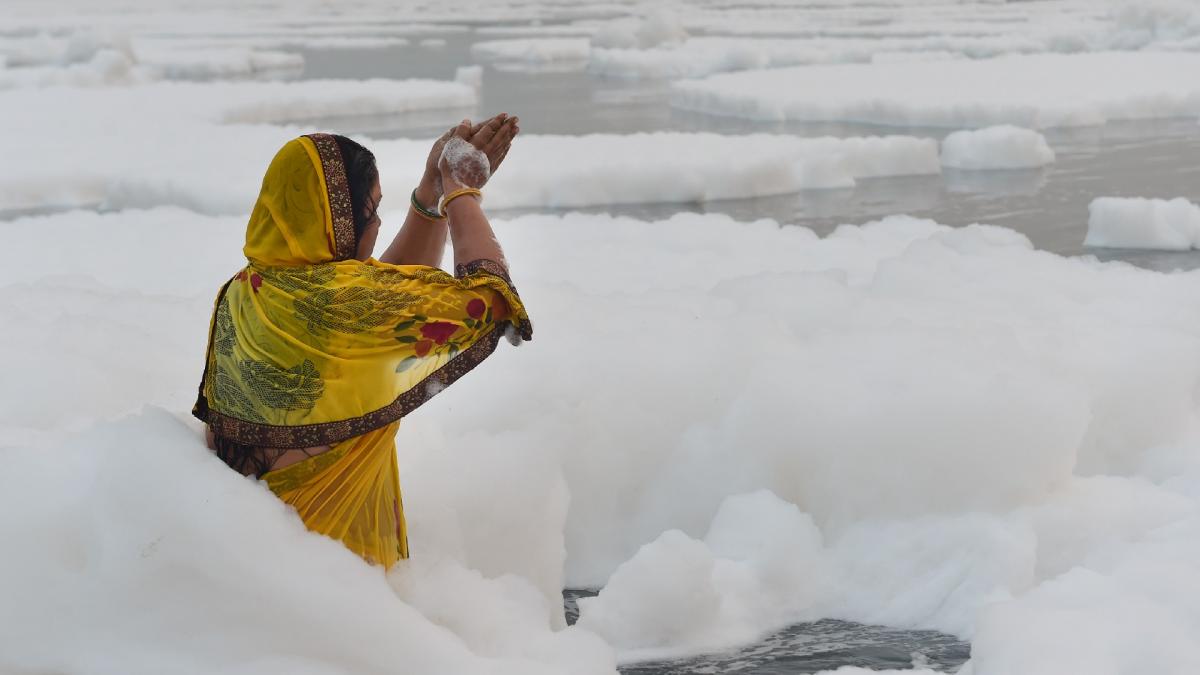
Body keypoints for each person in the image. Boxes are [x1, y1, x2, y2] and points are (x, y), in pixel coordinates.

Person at [193, 114, 530, 568]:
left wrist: (430, 194)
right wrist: (461, 193)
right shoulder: (339, 309)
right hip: (341, 588)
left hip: (255, 575)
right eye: (368, 213)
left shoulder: (244, 292)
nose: (374, 228)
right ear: (333, 221)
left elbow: (373, 304)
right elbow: (491, 300)